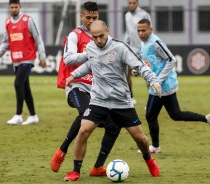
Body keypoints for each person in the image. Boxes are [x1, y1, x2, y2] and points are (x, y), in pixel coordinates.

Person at [63, 20, 162, 181]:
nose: (99, 40)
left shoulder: (120, 47)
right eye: (95, 37)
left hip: (121, 101)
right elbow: (90, 64)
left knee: (140, 138)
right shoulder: (91, 47)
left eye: (101, 36)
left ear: (108, 31)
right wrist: (74, 75)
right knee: (83, 130)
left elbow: (139, 65)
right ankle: (75, 171)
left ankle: (149, 159)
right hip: (99, 100)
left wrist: (154, 80)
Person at [51, 1, 121, 177]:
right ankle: (64, 154)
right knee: (86, 116)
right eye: (88, 17)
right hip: (76, 86)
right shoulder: (75, 35)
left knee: (115, 125)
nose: (91, 21)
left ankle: (98, 167)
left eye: (94, 17)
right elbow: (68, 59)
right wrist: (91, 53)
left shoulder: (103, 35)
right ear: (81, 16)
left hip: (98, 91)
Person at [137, 18, 210, 154]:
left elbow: (171, 59)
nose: (140, 33)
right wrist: (139, 70)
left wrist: (158, 80)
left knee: (150, 115)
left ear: (150, 30)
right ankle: (207, 119)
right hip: (161, 86)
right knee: (175, 114)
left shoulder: (156, 43)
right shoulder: (143, 43)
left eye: (143, 30)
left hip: (161, 86)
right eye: (138, 30)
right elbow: (149, 63)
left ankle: (155, 146)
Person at [0, 0, 46, 125]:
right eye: (11, 7)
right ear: (9, 8)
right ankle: (33, 116)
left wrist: (42, 56)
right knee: (25, 88)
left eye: (16, 7)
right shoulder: (8, 23)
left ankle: (18, 115)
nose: (14, 9)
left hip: (28, 59)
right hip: (16, 60)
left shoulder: (28, 20)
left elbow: (37, 38)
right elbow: (5, 42)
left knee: (18, 83)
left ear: (20, 7)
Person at [124, 0, 152, 105]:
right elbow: (128, 32)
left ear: (137, 3)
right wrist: (125, 44)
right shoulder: (127, 15)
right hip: (132, 49)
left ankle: (151, 100)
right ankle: (130, 97)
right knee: (126, 72)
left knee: (147, 75)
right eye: (129, 3)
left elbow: (150, 31)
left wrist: (149, 47)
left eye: (133, 3)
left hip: (143, 49)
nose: (131, 5)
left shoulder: (144, 14)